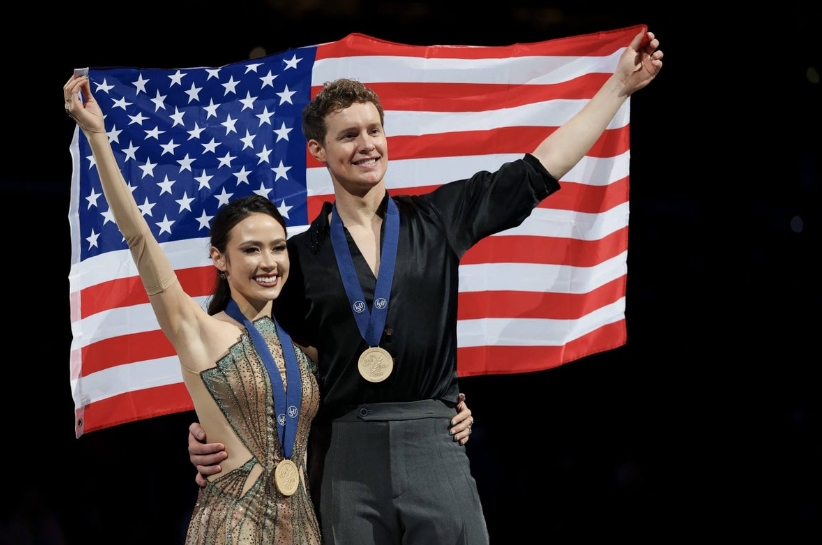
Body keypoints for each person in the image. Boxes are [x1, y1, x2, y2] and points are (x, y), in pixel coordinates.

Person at [190, 28, 664, 544]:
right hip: (345, 452)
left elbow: (538, 169)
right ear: (318, 151)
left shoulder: (439, 219)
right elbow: (251, 352)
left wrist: (617, 88)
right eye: (349, 135)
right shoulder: (297, 259)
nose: (366, 144)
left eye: (375, 130)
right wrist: (213, 431)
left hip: (434, 438)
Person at [64, 75, 323, 544]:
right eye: (251, 250)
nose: (269, 263)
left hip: (303, 530)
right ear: (219, 260)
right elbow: (138, 237)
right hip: (230, 531)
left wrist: (447, 405)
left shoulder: (305, 346)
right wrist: (97, 137)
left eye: (278, 248)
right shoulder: (198, 331)